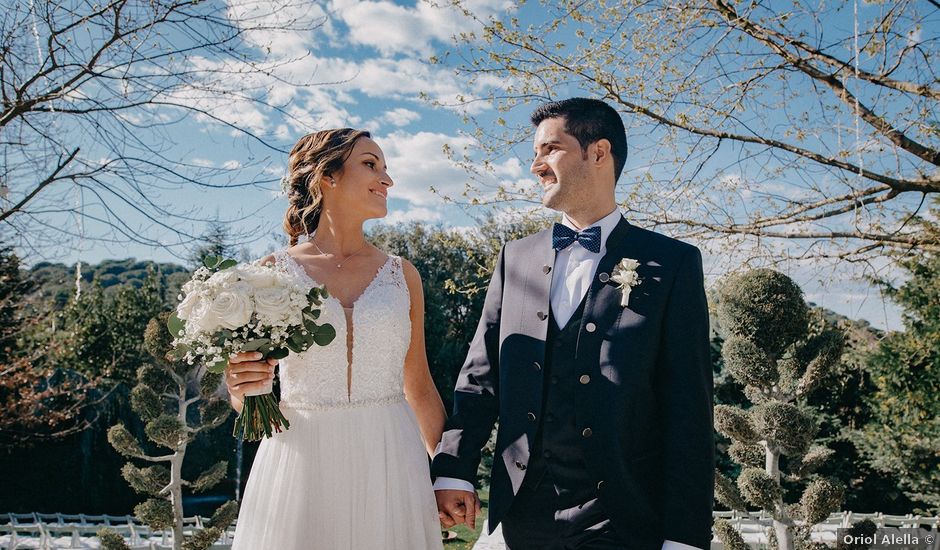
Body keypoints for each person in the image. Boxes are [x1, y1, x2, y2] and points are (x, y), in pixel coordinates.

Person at [431, 98, 715, 550]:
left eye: (550, 149)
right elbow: (481, 378)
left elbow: (689, 411)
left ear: (598, 152)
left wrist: (685, 536)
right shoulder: (515, 259)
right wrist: (453, 468)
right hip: (522, 516)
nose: (536, 166)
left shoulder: (673, 263)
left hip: (621, 518)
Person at [226, 128, 446, 550]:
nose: (387, 179)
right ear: (326, 177)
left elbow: (418, 385)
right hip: (300, 459)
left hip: (390, 458)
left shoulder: (403, 275)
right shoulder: (270, 274)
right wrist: (240, 385)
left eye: (385, 168)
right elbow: (249, 395)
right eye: (370, 164)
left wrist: (448, 472)